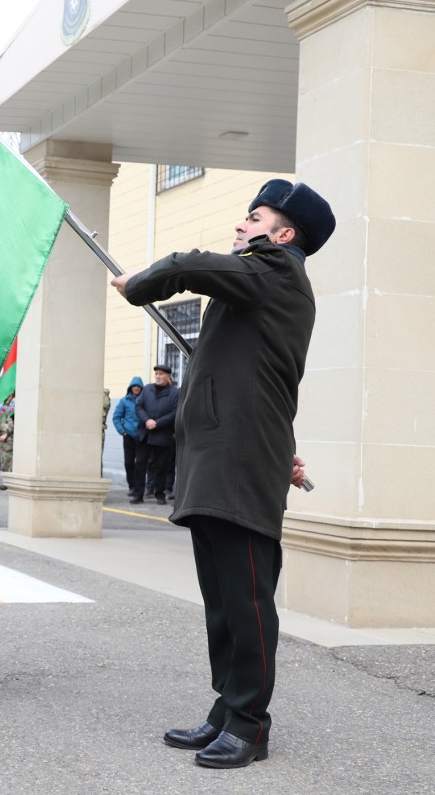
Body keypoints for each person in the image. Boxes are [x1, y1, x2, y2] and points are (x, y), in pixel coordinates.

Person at [112, 178, 334, 769]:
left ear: (284, 235)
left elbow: (189, 264)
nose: (241, 225)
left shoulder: (275, 270)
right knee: (221, 597)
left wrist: (139, 285)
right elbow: (252, 379)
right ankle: (226, 708)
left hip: (237, 462)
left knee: (246, 597)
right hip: (222, 456)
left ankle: (250, 723)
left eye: (254, 217)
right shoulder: (256, 283)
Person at [133, 365, 178, 506]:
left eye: (161, 374)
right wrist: (147, 420)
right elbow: (138, 406)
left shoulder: (174, 393)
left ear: (168, 376)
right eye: (156, 374)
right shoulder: (147, 389)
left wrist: (157, 423)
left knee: (161, 467)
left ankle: (160, 494)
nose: (158, 376)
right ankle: (138, 494)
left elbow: (175, 413)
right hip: (145, 434)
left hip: (162, 436)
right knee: (140, 465)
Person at [112, 377, 144, 497]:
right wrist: (123, 431)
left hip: (142, 436)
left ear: (141, 388)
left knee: (140, 463)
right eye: (134, 386)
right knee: (129, 462)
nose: (136, 388)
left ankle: (139, 487)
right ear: (130, 388)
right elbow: (116, 417)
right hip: (129, 435)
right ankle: (131, 486)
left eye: (138, 386)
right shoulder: (124, 401)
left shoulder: (144, 400)